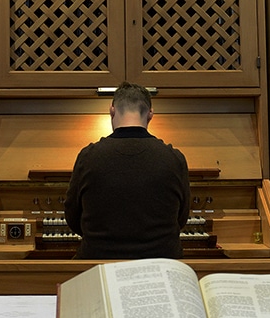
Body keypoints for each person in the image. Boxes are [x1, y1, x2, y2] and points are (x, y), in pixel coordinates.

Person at [64, 81, 192, 259]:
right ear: (150, 114)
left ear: (112, 110)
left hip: (99, 263)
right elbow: (181, 218)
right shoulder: (174, 158)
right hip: (161, 265)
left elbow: (72, 216)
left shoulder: (88, 156)